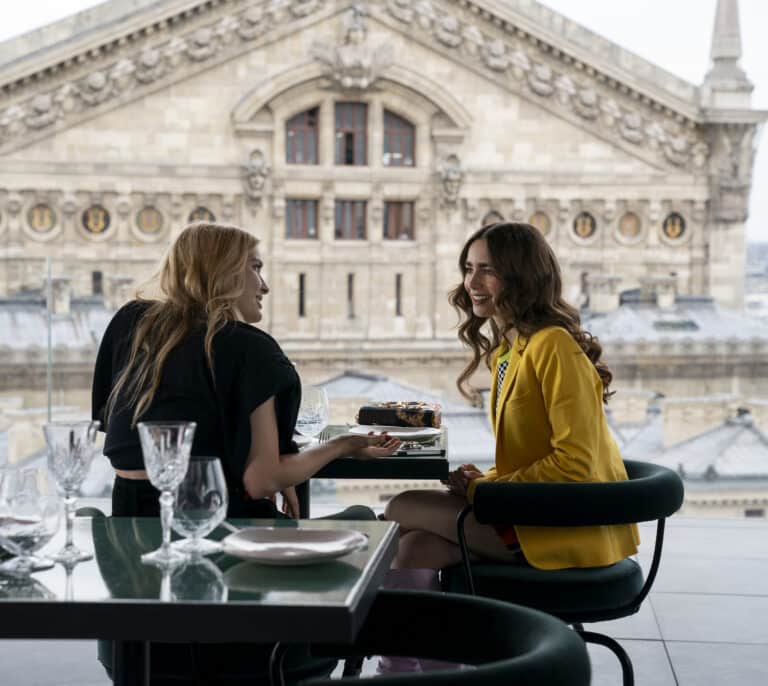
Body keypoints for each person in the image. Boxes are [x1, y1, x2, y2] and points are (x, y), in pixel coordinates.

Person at [91, 221, 399, 683]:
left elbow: (118, 436)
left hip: (133, 571)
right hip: (228, 563)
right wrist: (344, 445)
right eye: (255, 268)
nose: (266, 285)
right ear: (225, 273)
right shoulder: (250, 349)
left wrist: (281, 466)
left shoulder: (130, 324)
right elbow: (261, 478)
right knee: (364, 518)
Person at [383, 221, 640, 597]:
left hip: (568, 526)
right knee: (415, 547)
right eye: (469, 269)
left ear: (523, 276)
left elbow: (575, 463)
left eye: (488, 270)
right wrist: (485, 480)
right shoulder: (509, 350)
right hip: (535, 513)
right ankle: (421, 655)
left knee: (402, 507)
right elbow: (535, 454)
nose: (472, 283)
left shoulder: (553, 345)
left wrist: (485, 489)